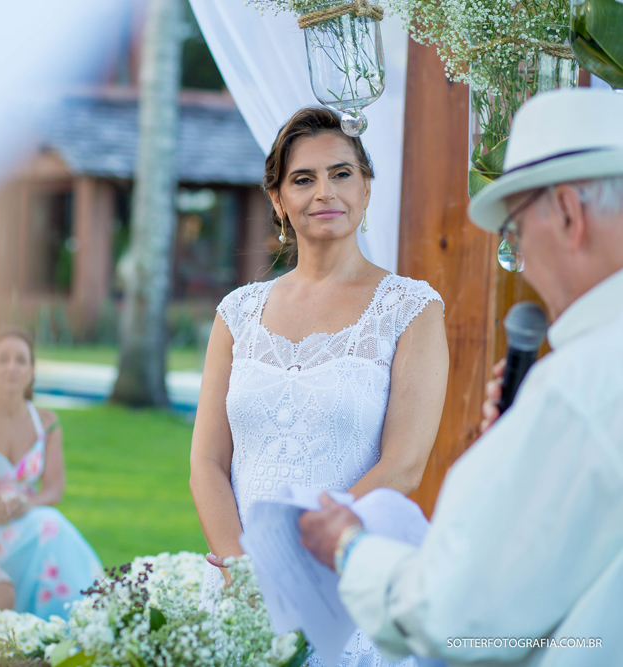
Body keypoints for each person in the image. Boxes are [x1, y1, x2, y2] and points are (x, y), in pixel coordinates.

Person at [299, 89, 623, 665]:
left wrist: (349, 547)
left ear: (570, 215)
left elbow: (457, 615)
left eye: (515, 231)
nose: (517, 252)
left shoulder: (579, 387)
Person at [189, 106, 449, 667]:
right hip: (239, 585)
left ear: (367, 187)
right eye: (303, 179)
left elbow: (404, 464)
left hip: (344, 580)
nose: (324, 191)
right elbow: (207, 461)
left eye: (341, 173)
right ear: (279, 200)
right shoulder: (237, 312)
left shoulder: (411, 309)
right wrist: (244, 570)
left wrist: (297, 560)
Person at [0, 327, 103, 619]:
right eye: (3, 359)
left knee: (49, 523)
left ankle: (87, 615)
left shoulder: (46, 422)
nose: (12, 368)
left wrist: (26, 504)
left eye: (21, 360)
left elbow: (54, 489)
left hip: (26, 520)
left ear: (32, 370)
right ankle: (82, 619)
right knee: (51, 526)